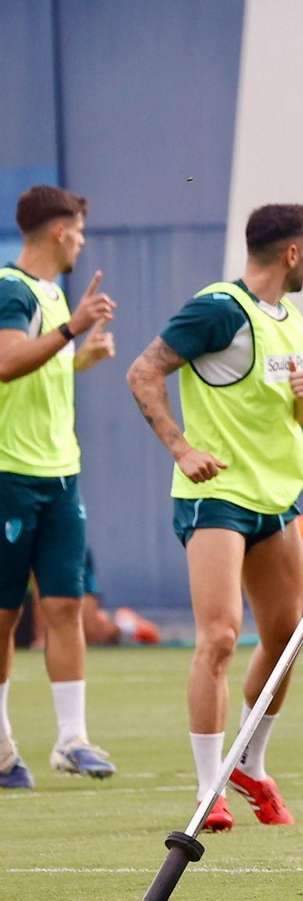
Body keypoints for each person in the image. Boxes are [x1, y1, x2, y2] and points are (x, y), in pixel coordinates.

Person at [126, 203, 303, 831]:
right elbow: (143, 371)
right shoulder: (218, 309)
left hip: (274, 498)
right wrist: (181, 447)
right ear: (291, 253)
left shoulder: (290, 321)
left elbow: (288, 420)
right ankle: (209, 788)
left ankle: (250, 764)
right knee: (219, 637)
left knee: (285, 639)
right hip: (216, 496)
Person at [0, 185, 119, 790]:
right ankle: (0, 744)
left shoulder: (49, 293)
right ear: (55, 232)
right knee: (3, 613)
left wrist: (82, 357)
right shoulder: (10, 288)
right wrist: (73, 329)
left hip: (59, 473)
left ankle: (72, 739)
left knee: (66, 606)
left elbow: (40, 367)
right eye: (77, 230)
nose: (81, 240)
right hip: (9, 474)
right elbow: (6, 360)